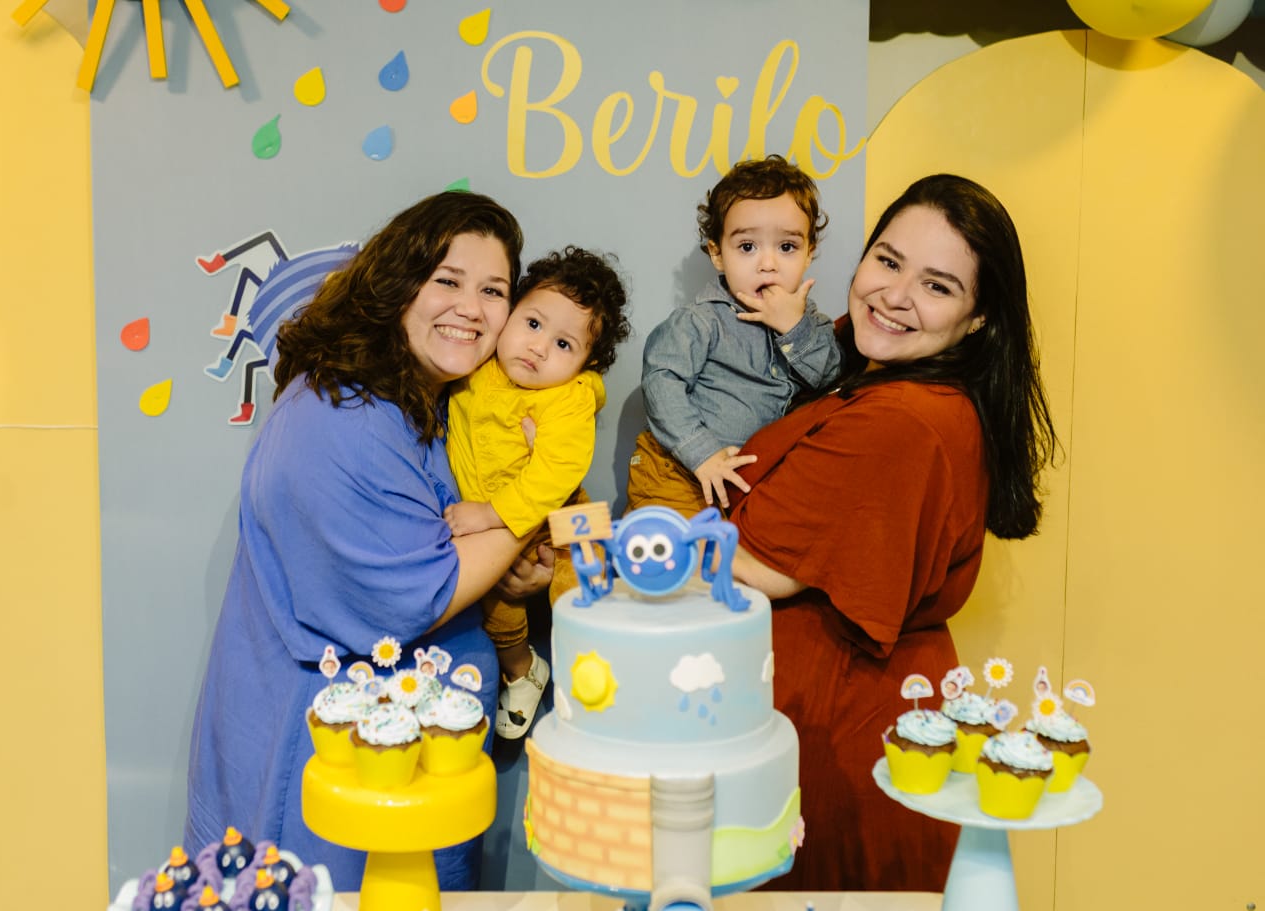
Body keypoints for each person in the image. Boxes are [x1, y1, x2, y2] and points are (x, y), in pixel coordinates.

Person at [184, 190, 530, 892]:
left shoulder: (421, 398)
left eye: (493, 290)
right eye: (447, 280)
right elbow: (411, 592)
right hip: (339, 766)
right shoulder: (343, 419)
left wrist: (507, 559)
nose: (472, 307)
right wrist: (531, 512)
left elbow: (442, 536)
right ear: (398, 286)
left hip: (404, 765)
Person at [726, 173, 1059, 891]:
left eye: (938, 286)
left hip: (838, 745)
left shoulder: (901, 422)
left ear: (978, 320)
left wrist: (598, 548)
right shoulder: (861, 367)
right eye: (886, 259)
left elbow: (752, 565)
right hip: (833, 725)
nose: (895, 294)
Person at [444, 246, 631, 740]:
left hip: (568, 514)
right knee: (496, 607)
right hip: (502, 528)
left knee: (582, 591)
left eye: (565, 345)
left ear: (586, 363)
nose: (540, 347)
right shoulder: (475, 367)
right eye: (532, 324)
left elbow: (557, 473)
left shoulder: (567, 399)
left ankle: (600, 677)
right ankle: (521, 671)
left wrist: (490, 513)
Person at [626, 154, 842, 517]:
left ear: (809, 254)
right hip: (678, 469)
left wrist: (793, 328)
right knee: (671, 557)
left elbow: (831, 375)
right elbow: (662, 381)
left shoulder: (811, 323)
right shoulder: (701, 321)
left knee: (727, 564)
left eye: (787, 247)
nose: (768, 263)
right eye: (747, 247)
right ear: (717, 254)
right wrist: (701, 452)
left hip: (745, 480)